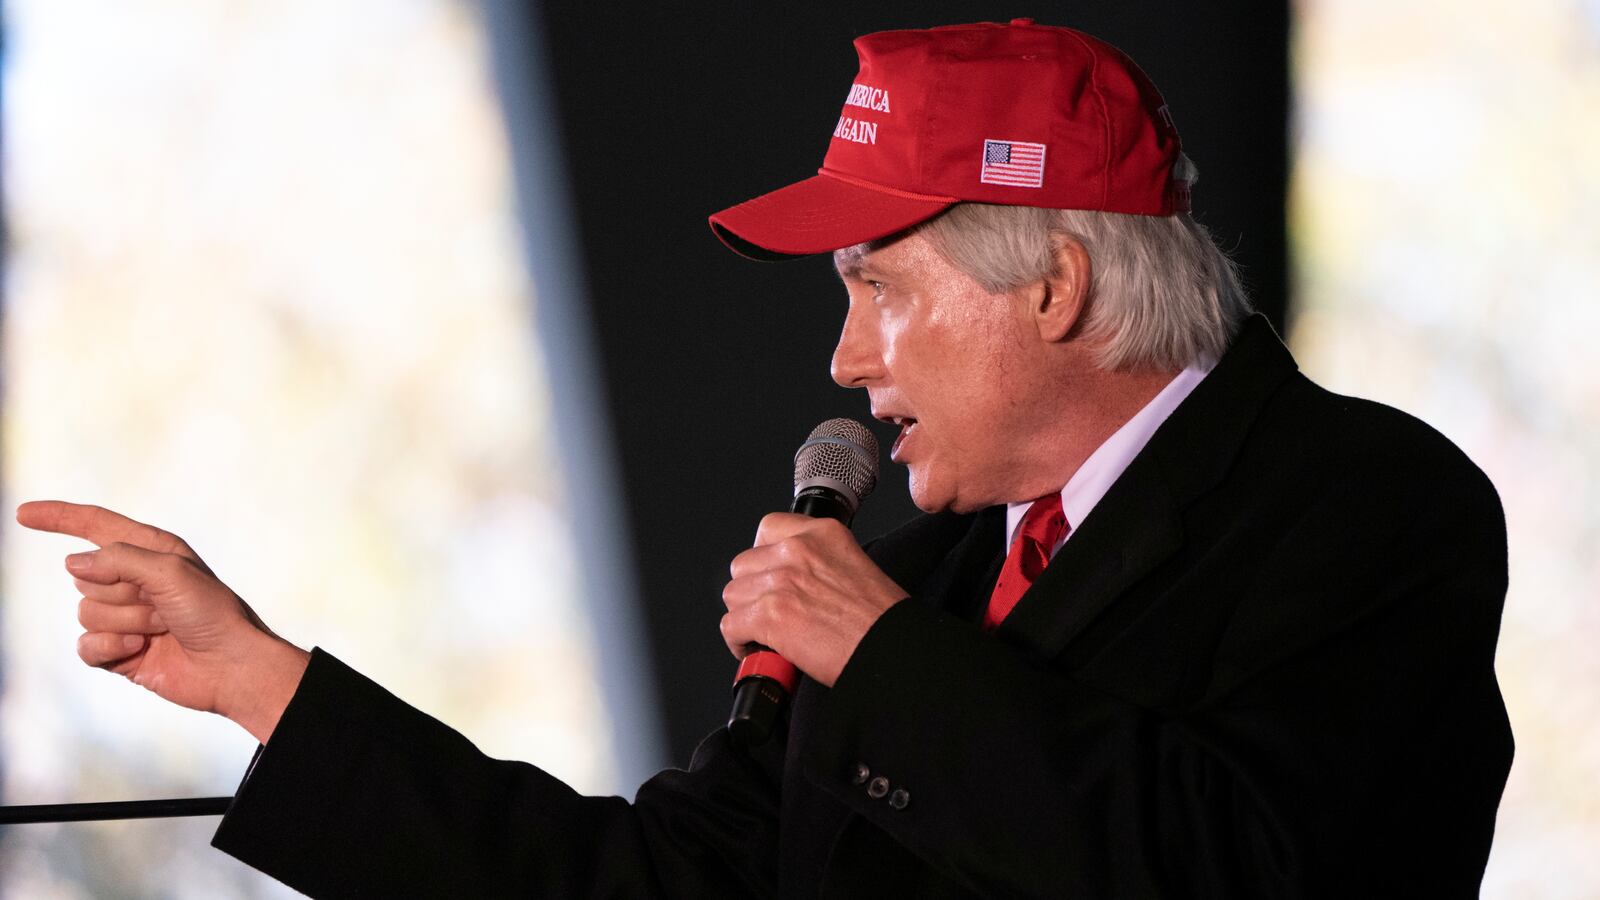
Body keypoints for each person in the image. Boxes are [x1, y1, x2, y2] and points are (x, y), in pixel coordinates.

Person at [16, 19, 1512, 898]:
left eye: (881, 290)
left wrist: (879, 653)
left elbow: (1248, 871)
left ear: (1052, 287)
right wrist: (261, 684)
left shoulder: (1370, 506)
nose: (846, 363)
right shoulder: (931, 574)